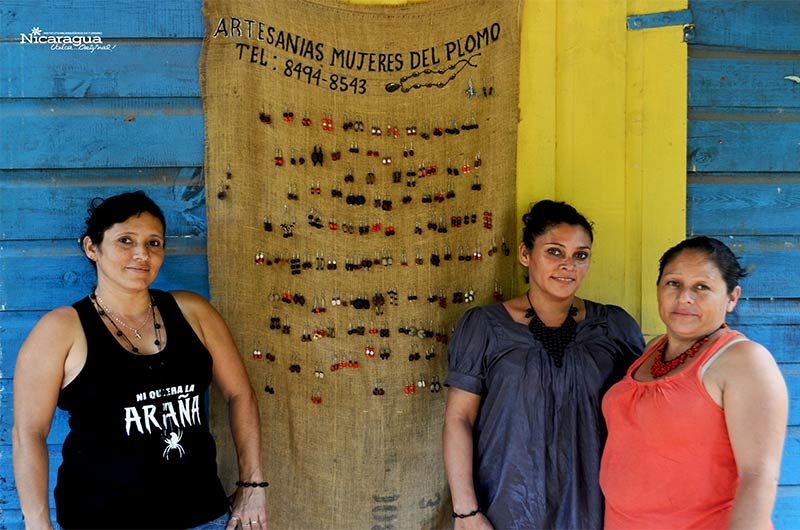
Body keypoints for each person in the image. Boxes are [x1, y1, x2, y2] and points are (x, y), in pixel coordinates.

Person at [12, 191, 268, 529]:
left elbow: (240, 395)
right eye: (125, 240)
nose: (141, 254)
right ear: (92, 248)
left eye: (154, 243)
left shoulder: (193, 312)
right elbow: (28, 433)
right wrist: (37, 524)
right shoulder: (61, 329)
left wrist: (252, 485)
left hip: (202, 515)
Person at [443, 199, 644, 529]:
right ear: (525, 254)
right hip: (506, 506)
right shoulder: (485, 327)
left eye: (580, 255)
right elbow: (458, 418)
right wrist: (466, 512)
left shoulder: (613, 328)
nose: (568, 265)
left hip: (594, 507)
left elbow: (643, 418)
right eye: (554, 251)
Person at [600, 236, 788, 529]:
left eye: (702, 287)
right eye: (673, 283)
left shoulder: (744, 361)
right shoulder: (652, 351)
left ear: (732, 297)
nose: (685, 297)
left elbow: (758, 477)